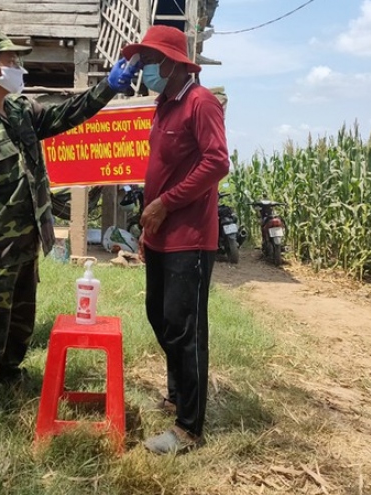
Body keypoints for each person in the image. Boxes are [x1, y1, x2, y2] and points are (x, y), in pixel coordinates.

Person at [0, 28, 140, 405]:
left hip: (25, 241)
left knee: (19, 319)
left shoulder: (18, 110)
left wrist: (108, 89)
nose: (19, 66)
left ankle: (10, 374)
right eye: (11, 60)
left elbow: (65, 116)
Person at [121, 25, 230, 454]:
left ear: (171, 62)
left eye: (149, 59)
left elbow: (217, 162)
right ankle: (176, 393)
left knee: (186, 329)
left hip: (190, 238)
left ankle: (190, 428)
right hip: (161, 235)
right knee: (159, 316)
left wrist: (166, 202)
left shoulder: (200, 103)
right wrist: (152, 221)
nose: (145, 67)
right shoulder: (164, 104)